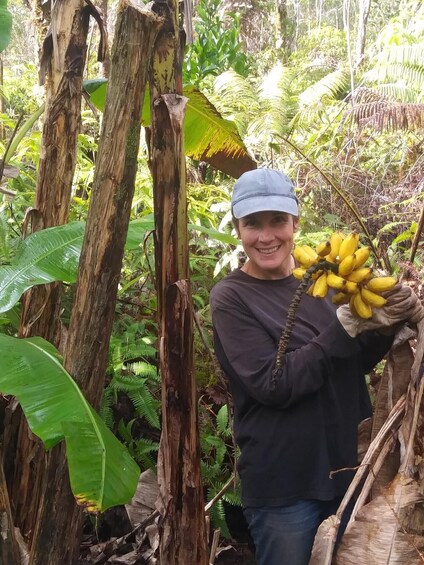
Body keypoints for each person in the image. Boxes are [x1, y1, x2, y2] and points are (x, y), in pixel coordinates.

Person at [209, 168, 424, 565]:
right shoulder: (231, 298)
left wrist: (384, 329)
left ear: (295, 223)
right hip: (285, 485)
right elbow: (274, 384)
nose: (267, 235)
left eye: (277, 221)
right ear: (239, 228)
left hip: (350, 469)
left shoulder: (326, 280)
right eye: (253, 223)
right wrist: (343, 329)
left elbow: (350, 363)